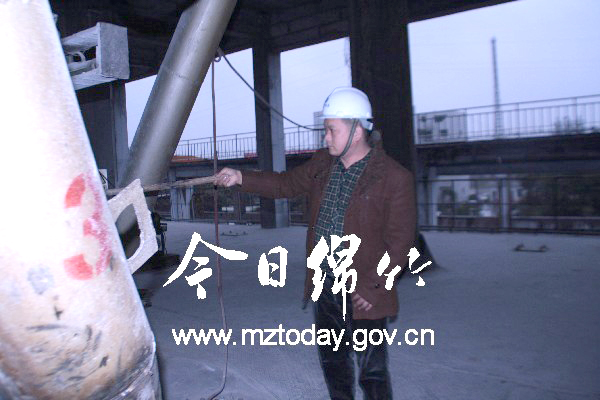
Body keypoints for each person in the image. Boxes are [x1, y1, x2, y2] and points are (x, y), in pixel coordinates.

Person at [215, 87, 416, 400]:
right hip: (325, 282)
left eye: (332, 130)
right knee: (333, 361)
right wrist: (241, 177)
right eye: (326, 130)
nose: (326, 138)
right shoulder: (323, 164)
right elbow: (284, 184)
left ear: (357, 131)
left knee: (372, 371)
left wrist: (374, 286)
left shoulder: (393, 177)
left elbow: (401, 242)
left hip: (363, 288)